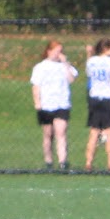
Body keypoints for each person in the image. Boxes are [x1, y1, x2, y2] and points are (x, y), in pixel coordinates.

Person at [30, 39, 78, 170]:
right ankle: (49, 161)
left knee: (61, 132)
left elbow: (71, 79)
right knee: (48, 134)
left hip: (62, 104)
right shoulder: (40, 67)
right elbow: (36, 86)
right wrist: (37, 103)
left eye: (61, 52)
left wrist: (65, 63)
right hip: (46, 105)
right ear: (49, 51)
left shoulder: (64, 66)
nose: (58, 54)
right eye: (56, 51)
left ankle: (63, 161)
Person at [83, 37, 110, 172]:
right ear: (106, 49)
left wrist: (88, 53)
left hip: (95, 97)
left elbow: (89, 74)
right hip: (109, 98)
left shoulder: (92, 61)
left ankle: (88, 162)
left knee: (94, 131)